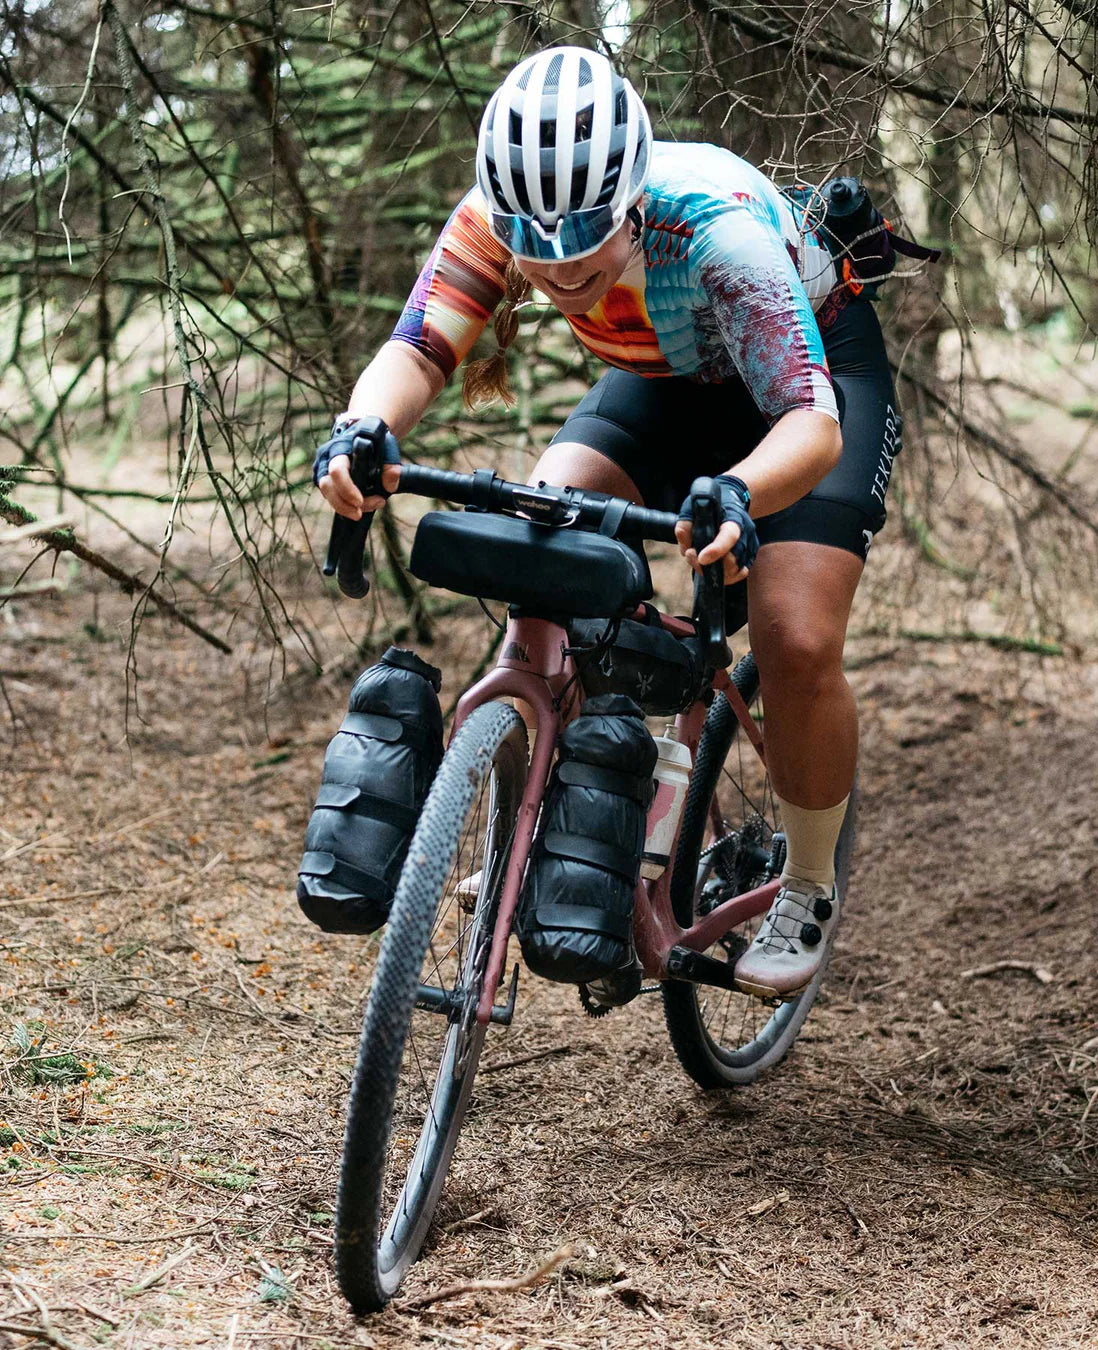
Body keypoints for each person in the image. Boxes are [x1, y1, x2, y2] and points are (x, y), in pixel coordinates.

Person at [315, 46, 902, 997]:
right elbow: (419, 348)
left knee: (794, 635)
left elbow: (807, 418)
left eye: (585, 242)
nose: (559, 270)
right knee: (544, 539)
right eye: (535, 252)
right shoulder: (498, 221)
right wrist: (361, 429)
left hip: (810, 385)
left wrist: (740, 493)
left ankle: (806, 882)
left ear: (630, 200)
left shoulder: (715, 233)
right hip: (669, 380)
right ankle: (545, 820)